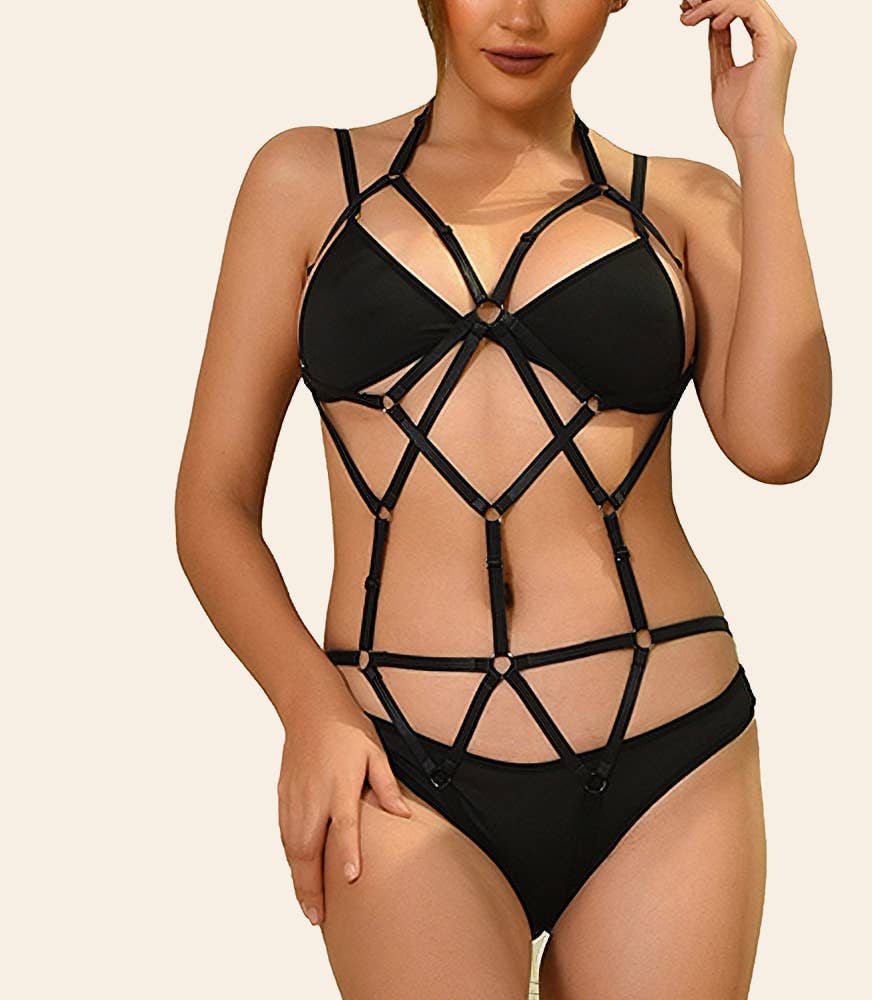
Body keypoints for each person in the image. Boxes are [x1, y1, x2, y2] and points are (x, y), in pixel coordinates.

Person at [175, 0, 831, 996]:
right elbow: (212, 503)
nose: (521, 16)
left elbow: (780, 445)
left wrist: (761, 143)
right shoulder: (306, 181)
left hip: (671, 753)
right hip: (392, 755)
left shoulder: (684, 201)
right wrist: (312, 711)